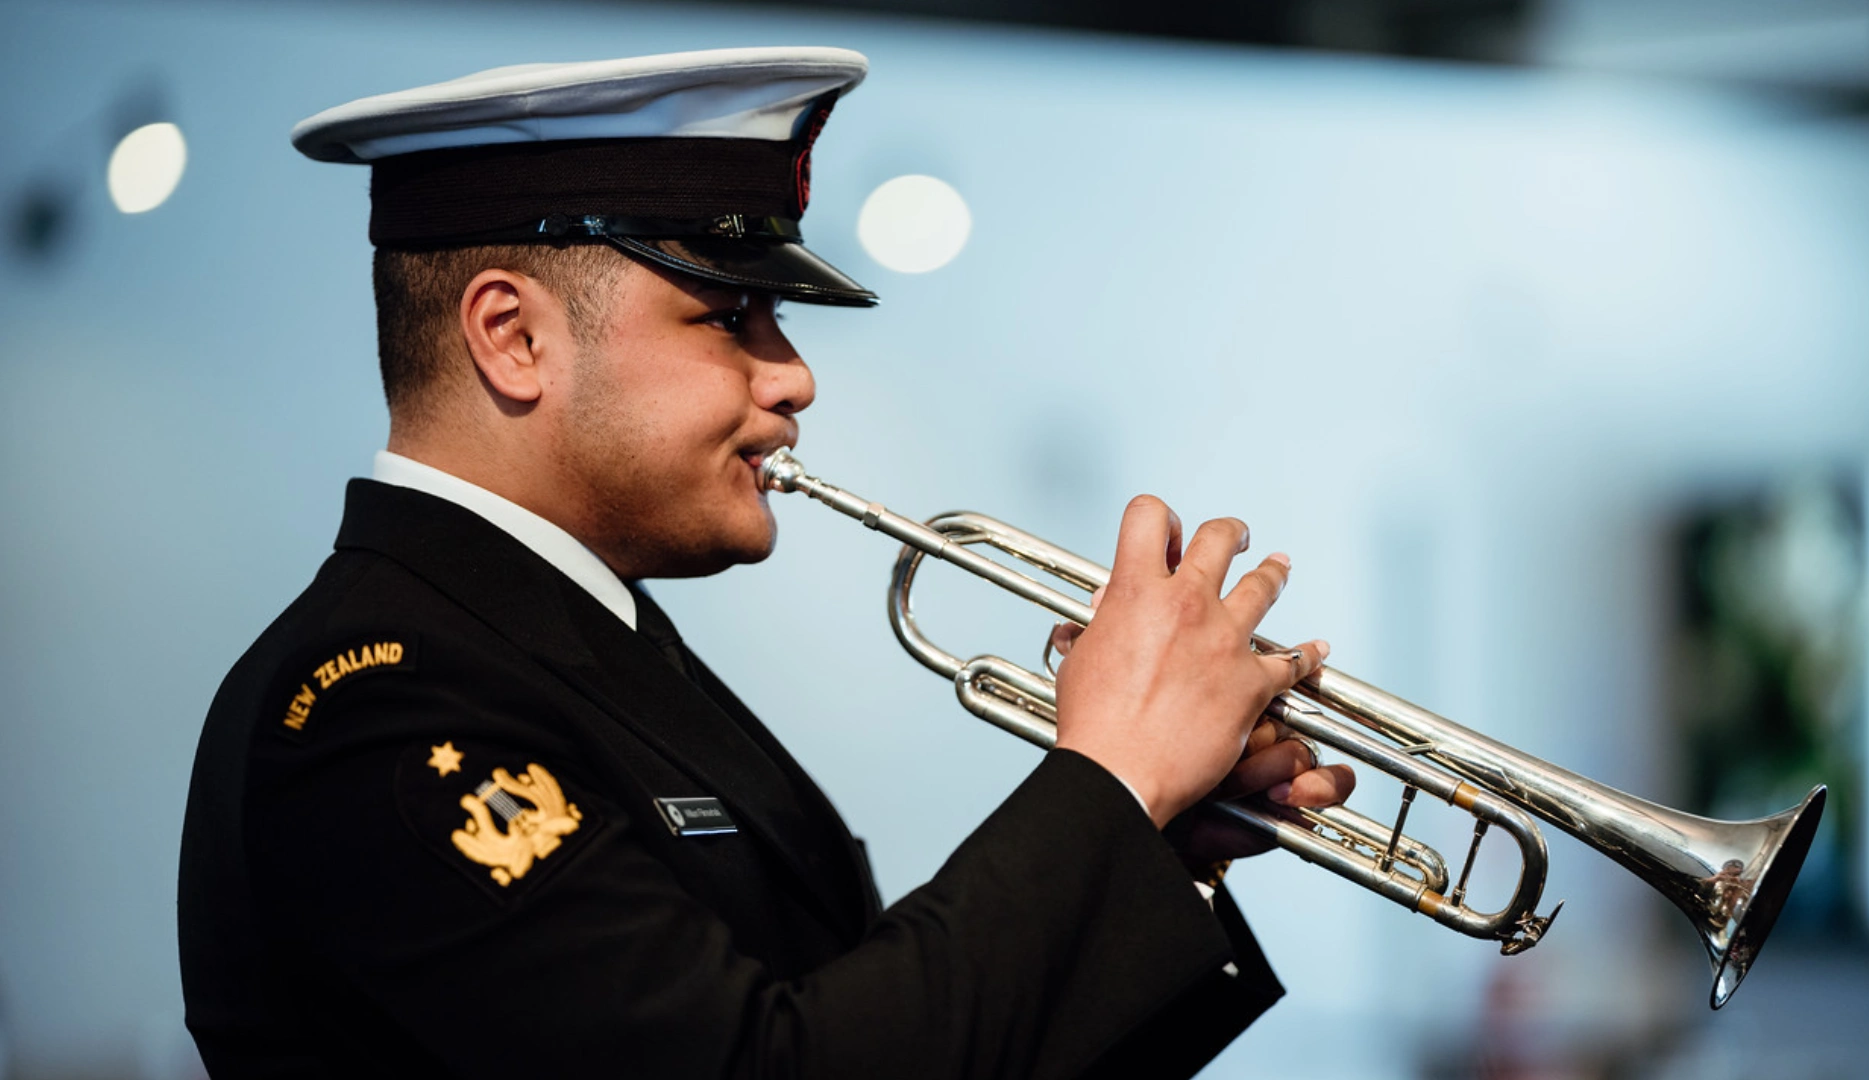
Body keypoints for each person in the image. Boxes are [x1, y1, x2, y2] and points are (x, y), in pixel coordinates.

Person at [177, 47, 1355, 1078]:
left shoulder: (584, 647)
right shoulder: (374, 704)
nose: (793, 376)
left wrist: (1152, 854)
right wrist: (1108, 784)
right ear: (514, 336)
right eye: (729, 315)